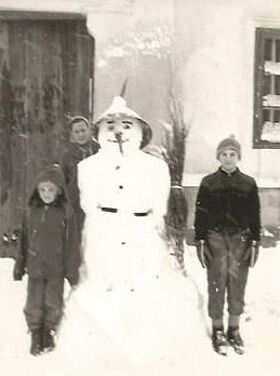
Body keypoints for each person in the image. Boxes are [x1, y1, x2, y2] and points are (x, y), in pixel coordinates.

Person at [54, 97, 198, 373]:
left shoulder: (155, 167)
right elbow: (87, 203)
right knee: (102, 287)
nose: (118, 131)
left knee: (144, 287)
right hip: (103, 230)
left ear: (141, 132)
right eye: (110, 125)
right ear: (99, 133)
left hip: (142, 232)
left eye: (126, 125)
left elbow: (160, 203)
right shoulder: (88, 167)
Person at [194, 135, 261, 356]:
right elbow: (201, 213)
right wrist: (200, 238)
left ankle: (234, 328)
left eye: (232, 154)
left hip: (240, 237)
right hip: (215, 237)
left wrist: (255, 239)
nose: (228, 158)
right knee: (217, 279)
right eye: (224, 154)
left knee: (237, 280)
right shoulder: (208, 182)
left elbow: (254, 213)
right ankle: (217, 329)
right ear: (218, 157)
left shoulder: (248, 183)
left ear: (238, 156)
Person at [13, 164, 81, 356]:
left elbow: (72, 244)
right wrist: (20, 266)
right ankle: (35, 331)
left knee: (53, 301)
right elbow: (24, 240)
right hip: (34, 266)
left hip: (56, 268)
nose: (46, 193)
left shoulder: (66, 213)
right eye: (42, 189)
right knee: (33, 302)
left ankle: (48, 330)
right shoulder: (31, 210)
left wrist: (72, 271)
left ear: (59, 191)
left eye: (51, 189)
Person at [60, 116, 99, 238]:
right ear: (72, 134)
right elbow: (63, 179)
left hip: (98, 198)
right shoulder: (67, 155)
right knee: (78, 234)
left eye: (83, 130)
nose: (80, 134)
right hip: (76, 202)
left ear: (90, 130)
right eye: (76, 132)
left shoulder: (100, 149)